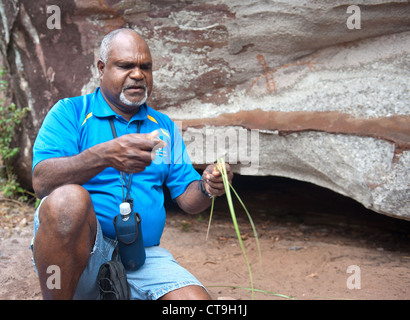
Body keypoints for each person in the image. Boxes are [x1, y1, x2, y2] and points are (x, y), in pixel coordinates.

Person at [31, 28, 233, 300]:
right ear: (101, 68)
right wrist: (105, 155)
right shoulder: (70, 112)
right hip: (82, 258)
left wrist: (209, 186)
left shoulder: (163, 127)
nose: (138, 74)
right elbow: (42, 182)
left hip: (142, 257)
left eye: (145, 67)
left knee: (196, 303)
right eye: (126, 66)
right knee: (67, 199)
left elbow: (188, 199)